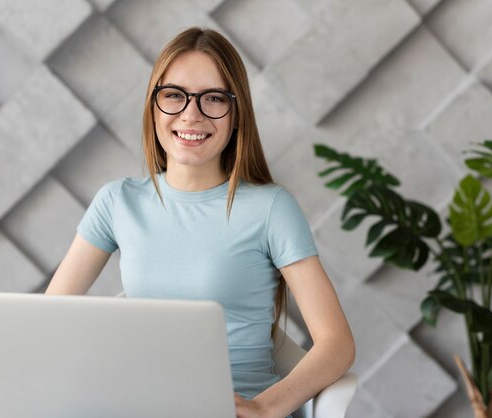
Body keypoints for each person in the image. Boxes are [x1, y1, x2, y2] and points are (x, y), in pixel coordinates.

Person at [46, 27, 355, 418]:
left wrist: (265, 406)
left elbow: (337, 343)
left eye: (213, 98)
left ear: (236, 112)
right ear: (153, 106)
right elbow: (49, 321)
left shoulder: (271, 208)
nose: (191, 115)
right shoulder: (117, 201)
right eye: (174, 95)